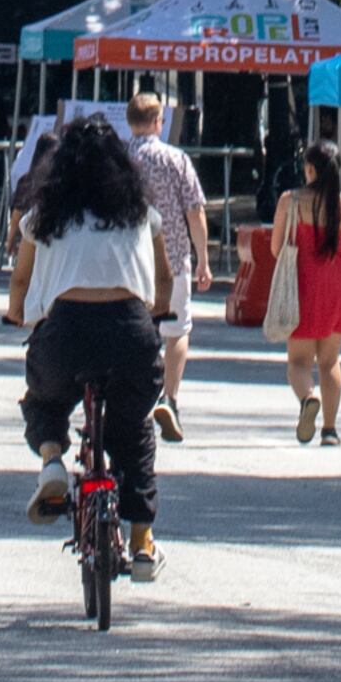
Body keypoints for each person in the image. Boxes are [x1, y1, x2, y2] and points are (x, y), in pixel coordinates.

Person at [7, 110, 174, 582]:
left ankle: (52, 462)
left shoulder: (44, 216)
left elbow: (20, 280)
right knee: (134, 431)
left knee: (44, 400)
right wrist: (155, 313)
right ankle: (142, 542)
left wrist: (17, 313)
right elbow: (164, 279)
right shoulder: (140, 214)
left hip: (66, 332)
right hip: (129, 332)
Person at [269, 139, 341, 444]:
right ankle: (330, 429)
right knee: (330, 361)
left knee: (298, 361)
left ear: (309, 169)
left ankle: (308, 398)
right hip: (337, 287)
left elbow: (276, 248)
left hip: (301, 286)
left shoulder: (289, 201)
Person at [123, 91, 212, 443]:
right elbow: (195, 211)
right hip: (171, 257)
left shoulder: (118, 159)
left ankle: (133, 400)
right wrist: (202, 258)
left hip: (126, 263)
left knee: (131, 332)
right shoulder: (175, 159)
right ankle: (169, 398)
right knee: (176, 331)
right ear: (158, 122)